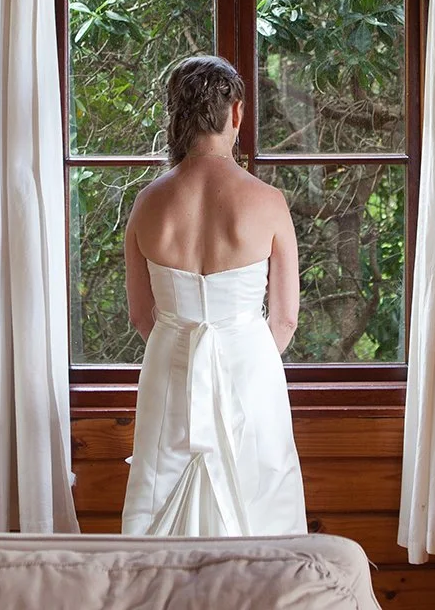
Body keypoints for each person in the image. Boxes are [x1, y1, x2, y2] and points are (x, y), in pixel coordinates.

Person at [119, 55, 308, 537]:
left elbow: (141, 315)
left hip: (170, 367)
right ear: (236, 113)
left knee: (159, 492)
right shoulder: (268, 202)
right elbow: (285, 319)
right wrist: (241, 359)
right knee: (261, 499)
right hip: (250, 369)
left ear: (177, 115)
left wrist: (184, 352)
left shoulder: (147, 203)